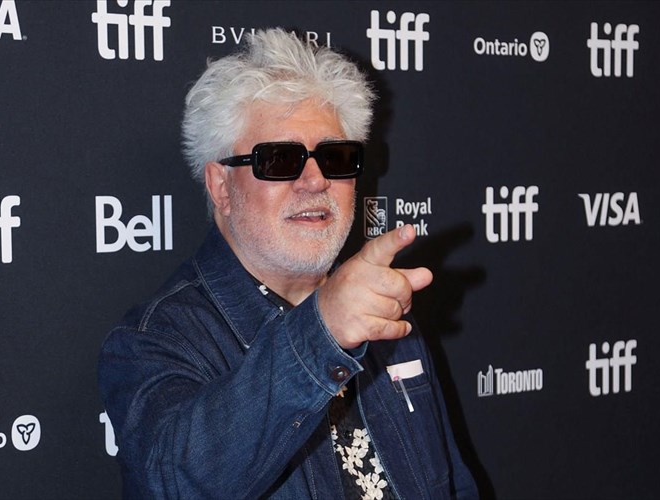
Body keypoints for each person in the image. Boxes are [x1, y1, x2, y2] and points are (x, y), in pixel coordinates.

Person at [98, 28, 478, 499]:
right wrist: (322, 332)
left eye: (335, 157)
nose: (315, 180)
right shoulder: (155, 340)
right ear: (221, 187)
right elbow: (175, 482)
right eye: (280, 159)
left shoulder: (383, 313)